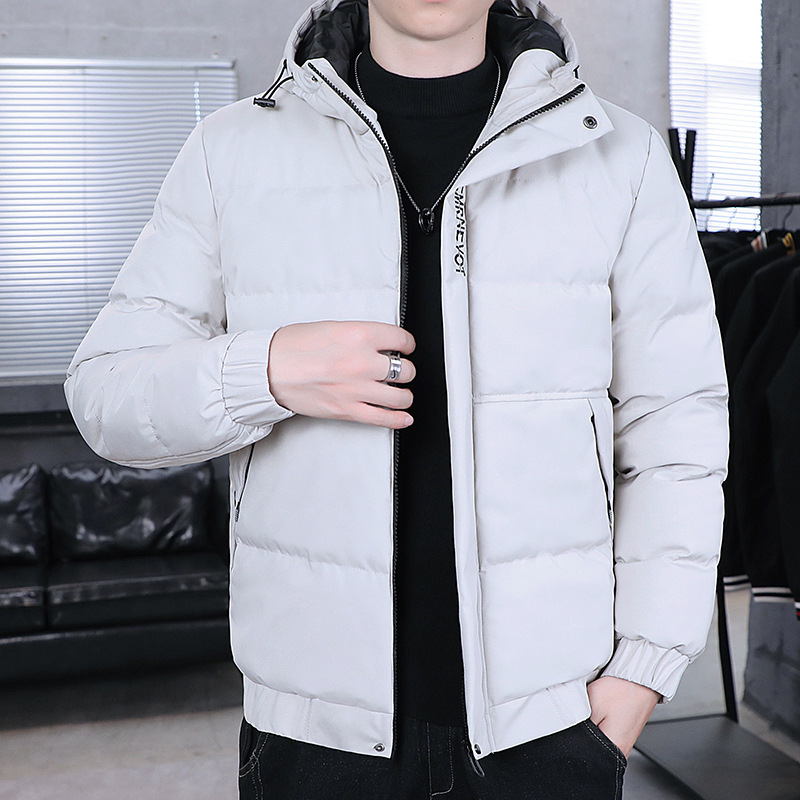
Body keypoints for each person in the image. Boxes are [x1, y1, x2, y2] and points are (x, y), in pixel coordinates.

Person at [64, 0, 729, 797]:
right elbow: (106, 393)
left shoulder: (620, 156)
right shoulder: (231, 150)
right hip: (315, 742)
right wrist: (267, 369)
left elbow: (676, 429)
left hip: (552, 728)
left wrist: (643, 670)